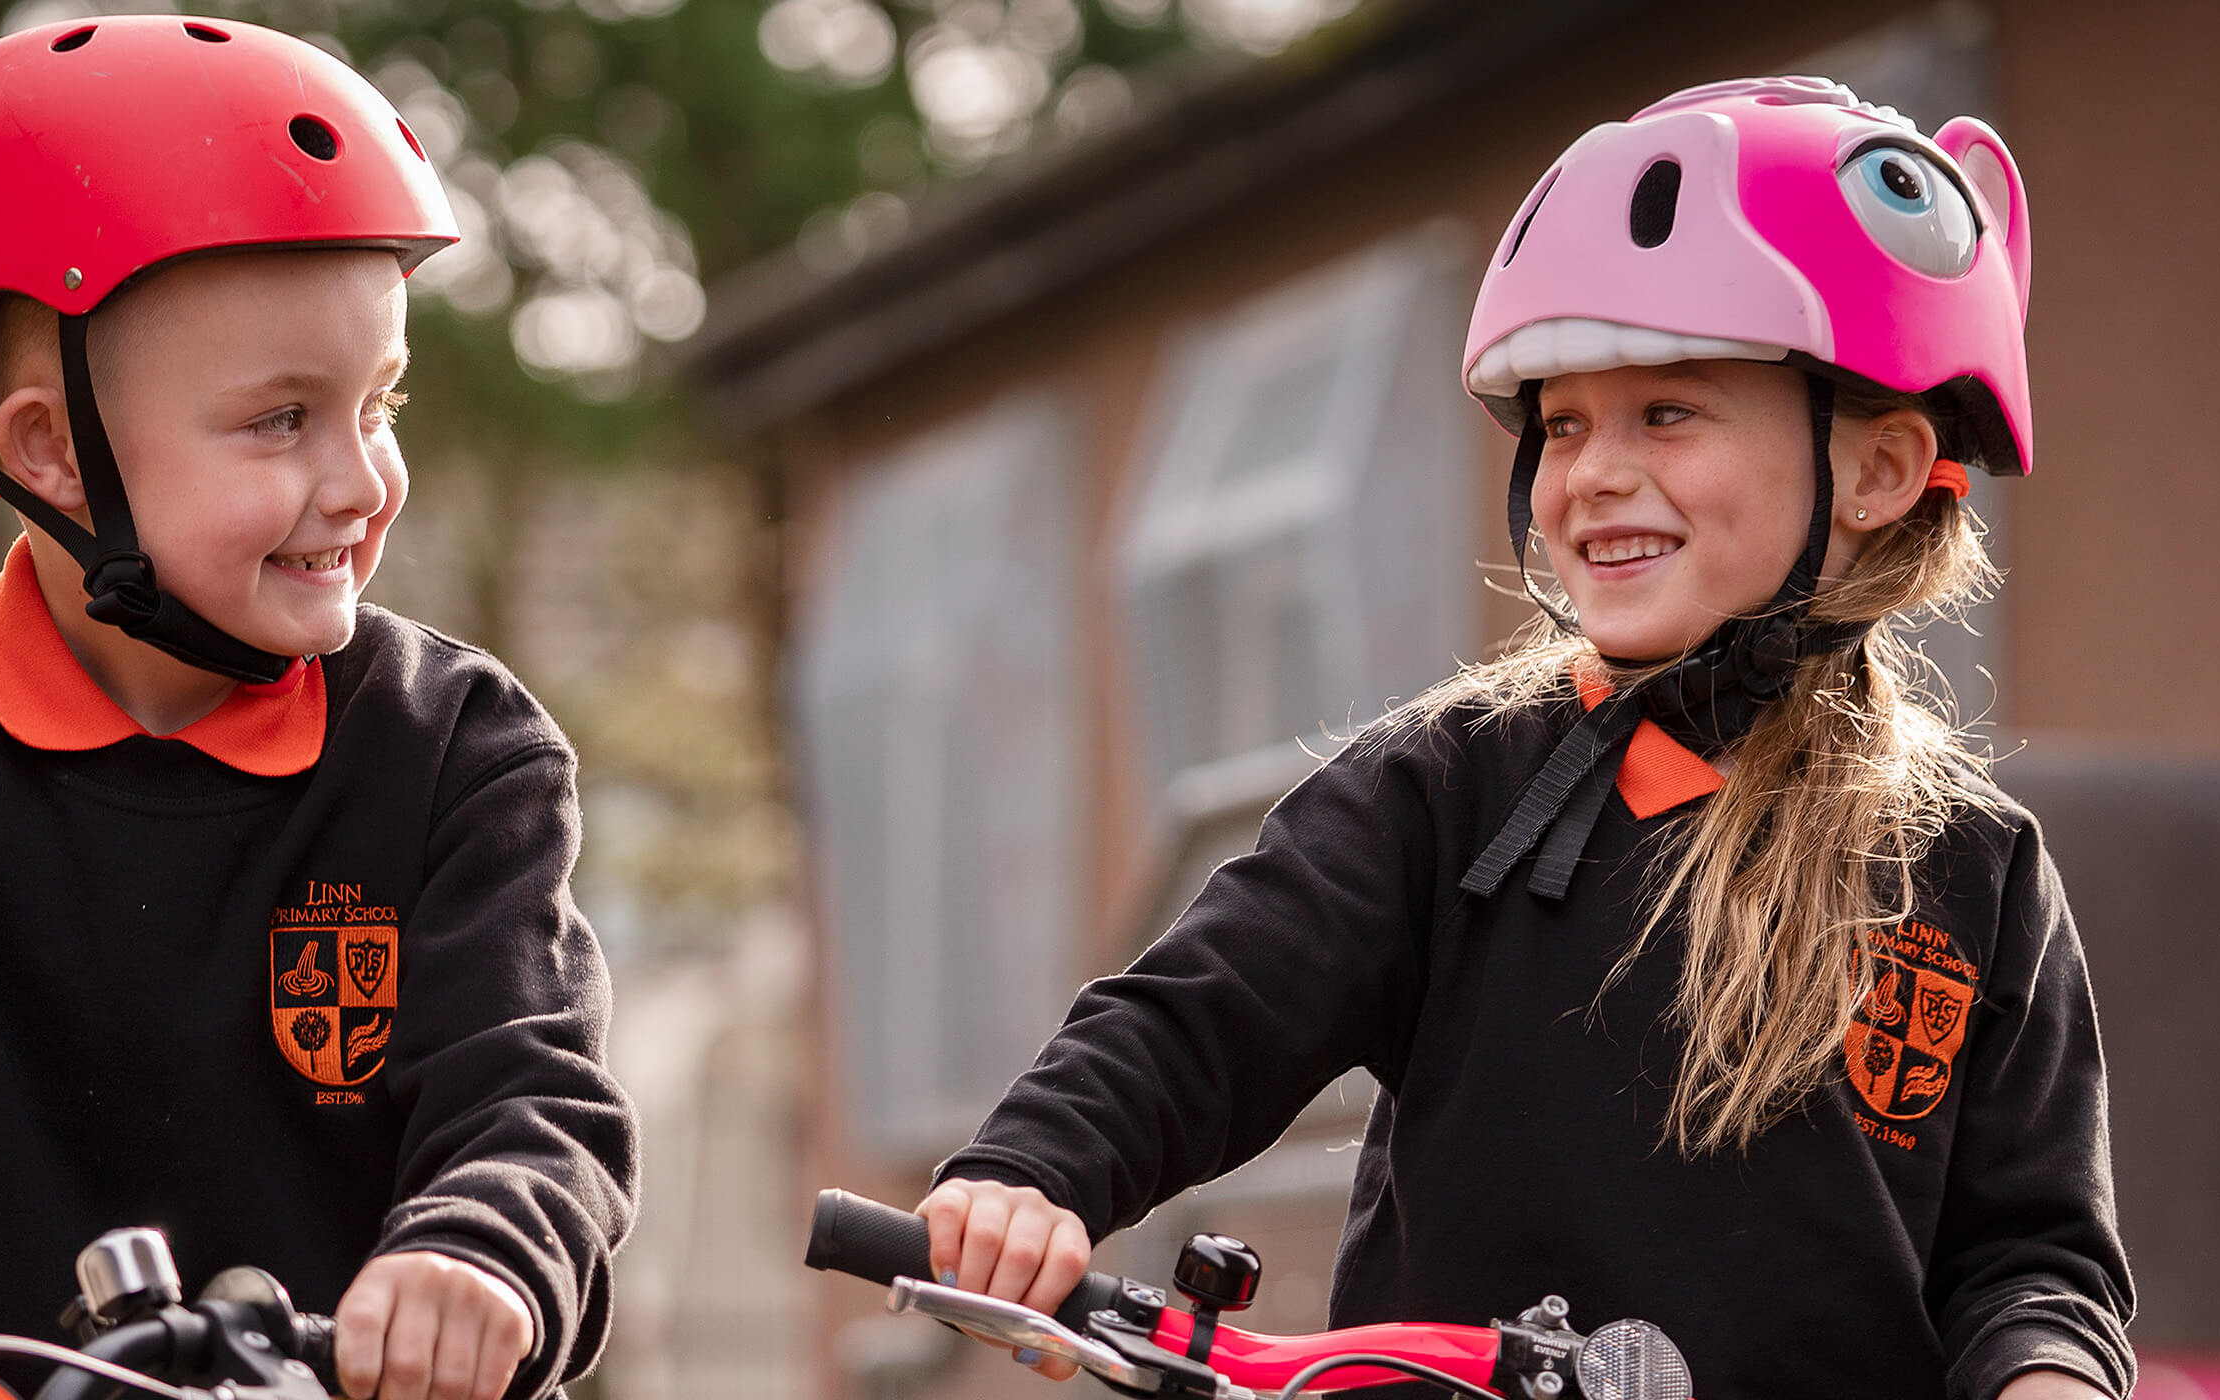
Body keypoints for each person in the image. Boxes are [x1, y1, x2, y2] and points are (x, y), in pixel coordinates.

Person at [911, 77, 2131, 1400]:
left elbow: (2032, 1254)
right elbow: (1204, 1017)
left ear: (1882, 471)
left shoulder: (1972, 870)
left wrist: (2048, 1373)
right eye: (1561, 425)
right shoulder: (1445, 793)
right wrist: (1033, 1171)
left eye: (1667, 410)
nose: (1591, 472)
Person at [0, 19, 633, 1400]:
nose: (363, 480)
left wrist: (484, 1253)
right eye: (281, 421)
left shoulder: (456, 755)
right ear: (51, 453)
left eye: (379, 405)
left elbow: (530, 1100)